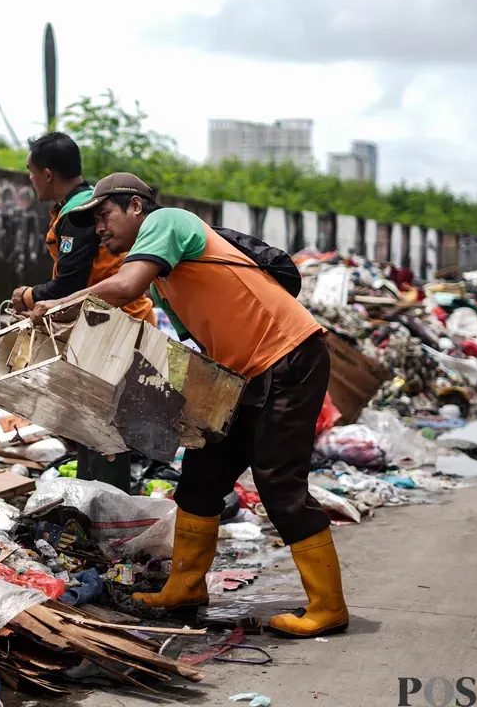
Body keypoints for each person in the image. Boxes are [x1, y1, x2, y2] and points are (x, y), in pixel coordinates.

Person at [29, 173, 348, 639]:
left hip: (289, 355)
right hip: (242, 374)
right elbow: (189, 343)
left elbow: (124, 287)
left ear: (136, 206)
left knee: (279, 484)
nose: (98, 229)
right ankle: (185, 587)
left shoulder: (167, 222)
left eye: (103, 216)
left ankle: (328, 606)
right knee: (200, 480)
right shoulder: (167, 281)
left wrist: (56, 303)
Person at [10, 133, 156, 494]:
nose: (30, 181)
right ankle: (91, 509)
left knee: (104, 431)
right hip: (104, 323)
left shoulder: (78, 215)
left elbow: (67, 284)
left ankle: (107, 517)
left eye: (30, 172)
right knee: (89, 425)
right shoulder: (80, 208)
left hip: (115, 328)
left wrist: (27, 296)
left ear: (46, 173)